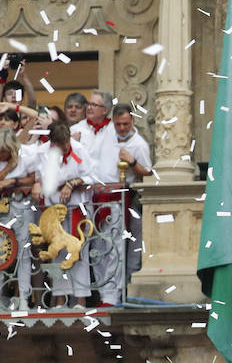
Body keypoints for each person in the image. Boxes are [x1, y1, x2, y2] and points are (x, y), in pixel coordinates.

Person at [31, 120, 95, 307]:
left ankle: (81, 299)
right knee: (58, 253)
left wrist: (72, 183)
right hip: (54, 209)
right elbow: (39, 176)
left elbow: (91, 175)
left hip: (77, 207)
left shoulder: (79, 149)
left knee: (78, 251)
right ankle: (61, 298)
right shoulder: (42, 152)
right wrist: (37, 183)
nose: (66, 147)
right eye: (61, 145)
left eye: (67, 142)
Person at [71, 90, 125, 307]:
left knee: (113, 246)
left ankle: (111, 296)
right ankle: (97, 293)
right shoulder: (76, 130)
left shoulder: (117, 128)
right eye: (88, 104)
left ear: (105, 110)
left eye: (94, 104)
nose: (89, 107)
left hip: (111, 195)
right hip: (85, 196)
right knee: (92, 248)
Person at [0, 125, 39, 312]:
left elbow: (33, 178)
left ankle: (23, 298)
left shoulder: (27, 155)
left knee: (24, 253)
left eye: (5, 153)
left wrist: (13, 181)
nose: (2, 156)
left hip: (21, 206)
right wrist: (6, 172)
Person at [112, 102, 152, 279]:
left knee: (133, 241)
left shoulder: (139, 144)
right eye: (118, 124)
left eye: (125, 124)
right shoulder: (108, 139)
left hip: (132, 197)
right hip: (110, 195)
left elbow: (147, 172)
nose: (122, 128)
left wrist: (132, 162)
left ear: (133, 122)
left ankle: (130, 281)